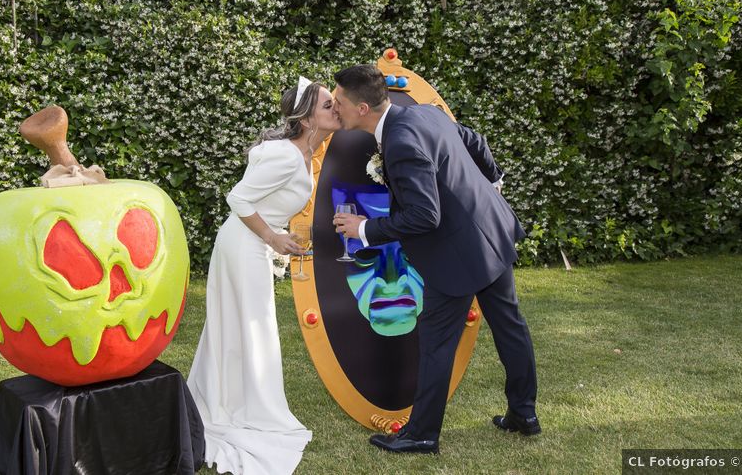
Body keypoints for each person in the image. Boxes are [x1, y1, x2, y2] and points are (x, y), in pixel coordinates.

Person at [331, 64, 540, 455]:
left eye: (339, 101)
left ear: (362, 108)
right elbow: (474, 140)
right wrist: (492, 184)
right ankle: (524, 414)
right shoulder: (424, 113)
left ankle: (422, 434)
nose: (334, 106)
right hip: (490, 230)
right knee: (509, 325)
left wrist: (363, 229)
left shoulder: (400, 142)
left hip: (457, 255)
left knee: (436, 342)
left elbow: (425, 216)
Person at [187, 78, 341, 474]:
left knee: (244, 326)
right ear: (307, 119)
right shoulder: (287, 157)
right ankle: (246, 409)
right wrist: (273, 237)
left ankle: (231, 397)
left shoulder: (304, 153)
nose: (336, 109)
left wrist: (277, 238)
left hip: (252, 244)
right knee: (252, 328)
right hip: (243, 246)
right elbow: (238, 198)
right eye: (328, 105)